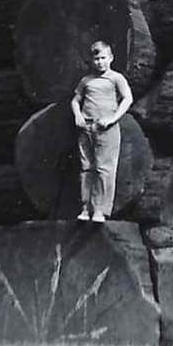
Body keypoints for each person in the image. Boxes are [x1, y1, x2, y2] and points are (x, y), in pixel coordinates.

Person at [70, 40, 133, 223]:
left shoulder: (116, 78)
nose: (100, 62)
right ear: (92, 60)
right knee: (86, 167)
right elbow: (75, 100)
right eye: (96, 59)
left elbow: (127, 99)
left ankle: (100, 210)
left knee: (104, 169)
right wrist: (77, 116)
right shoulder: (86, 80)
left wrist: (113, 118)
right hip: (86, 127)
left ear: (111, 58)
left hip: (106, 128)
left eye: (103, 58)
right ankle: (85, 208)